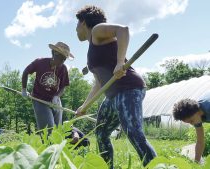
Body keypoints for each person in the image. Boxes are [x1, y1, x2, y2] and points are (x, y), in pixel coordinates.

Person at [74, 5, 156, 168]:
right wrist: (84, 107)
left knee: (133, 133)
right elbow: (99, 84)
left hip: (129, 88)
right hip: (112, 96)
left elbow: (123, 30)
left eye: (76, 25)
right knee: (101, 133)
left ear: (83, 23)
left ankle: (156, 166)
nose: (75, 30)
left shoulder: (97, 30)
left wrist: (120, 62)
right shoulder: (92, 47)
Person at [22, 42, 73, 134]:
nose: (62, 62)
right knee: (48, 130)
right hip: (39, 100)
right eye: (61, 58)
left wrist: (57, 96)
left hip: (55, 101)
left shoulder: (63, 68)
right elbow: (26, 72)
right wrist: (24, 89)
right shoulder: (40, 62)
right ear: (54, 53)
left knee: (58, 130)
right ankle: (48, 148)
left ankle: (57, 148)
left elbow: (63, 86)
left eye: (64, 59)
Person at [172, 94, 210, 163]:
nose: (192, 124)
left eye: (191, 121)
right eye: (189, 122)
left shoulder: (208, 106)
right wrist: (196, 163)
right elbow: (200, 141)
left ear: (197, 111)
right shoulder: (197, 116)